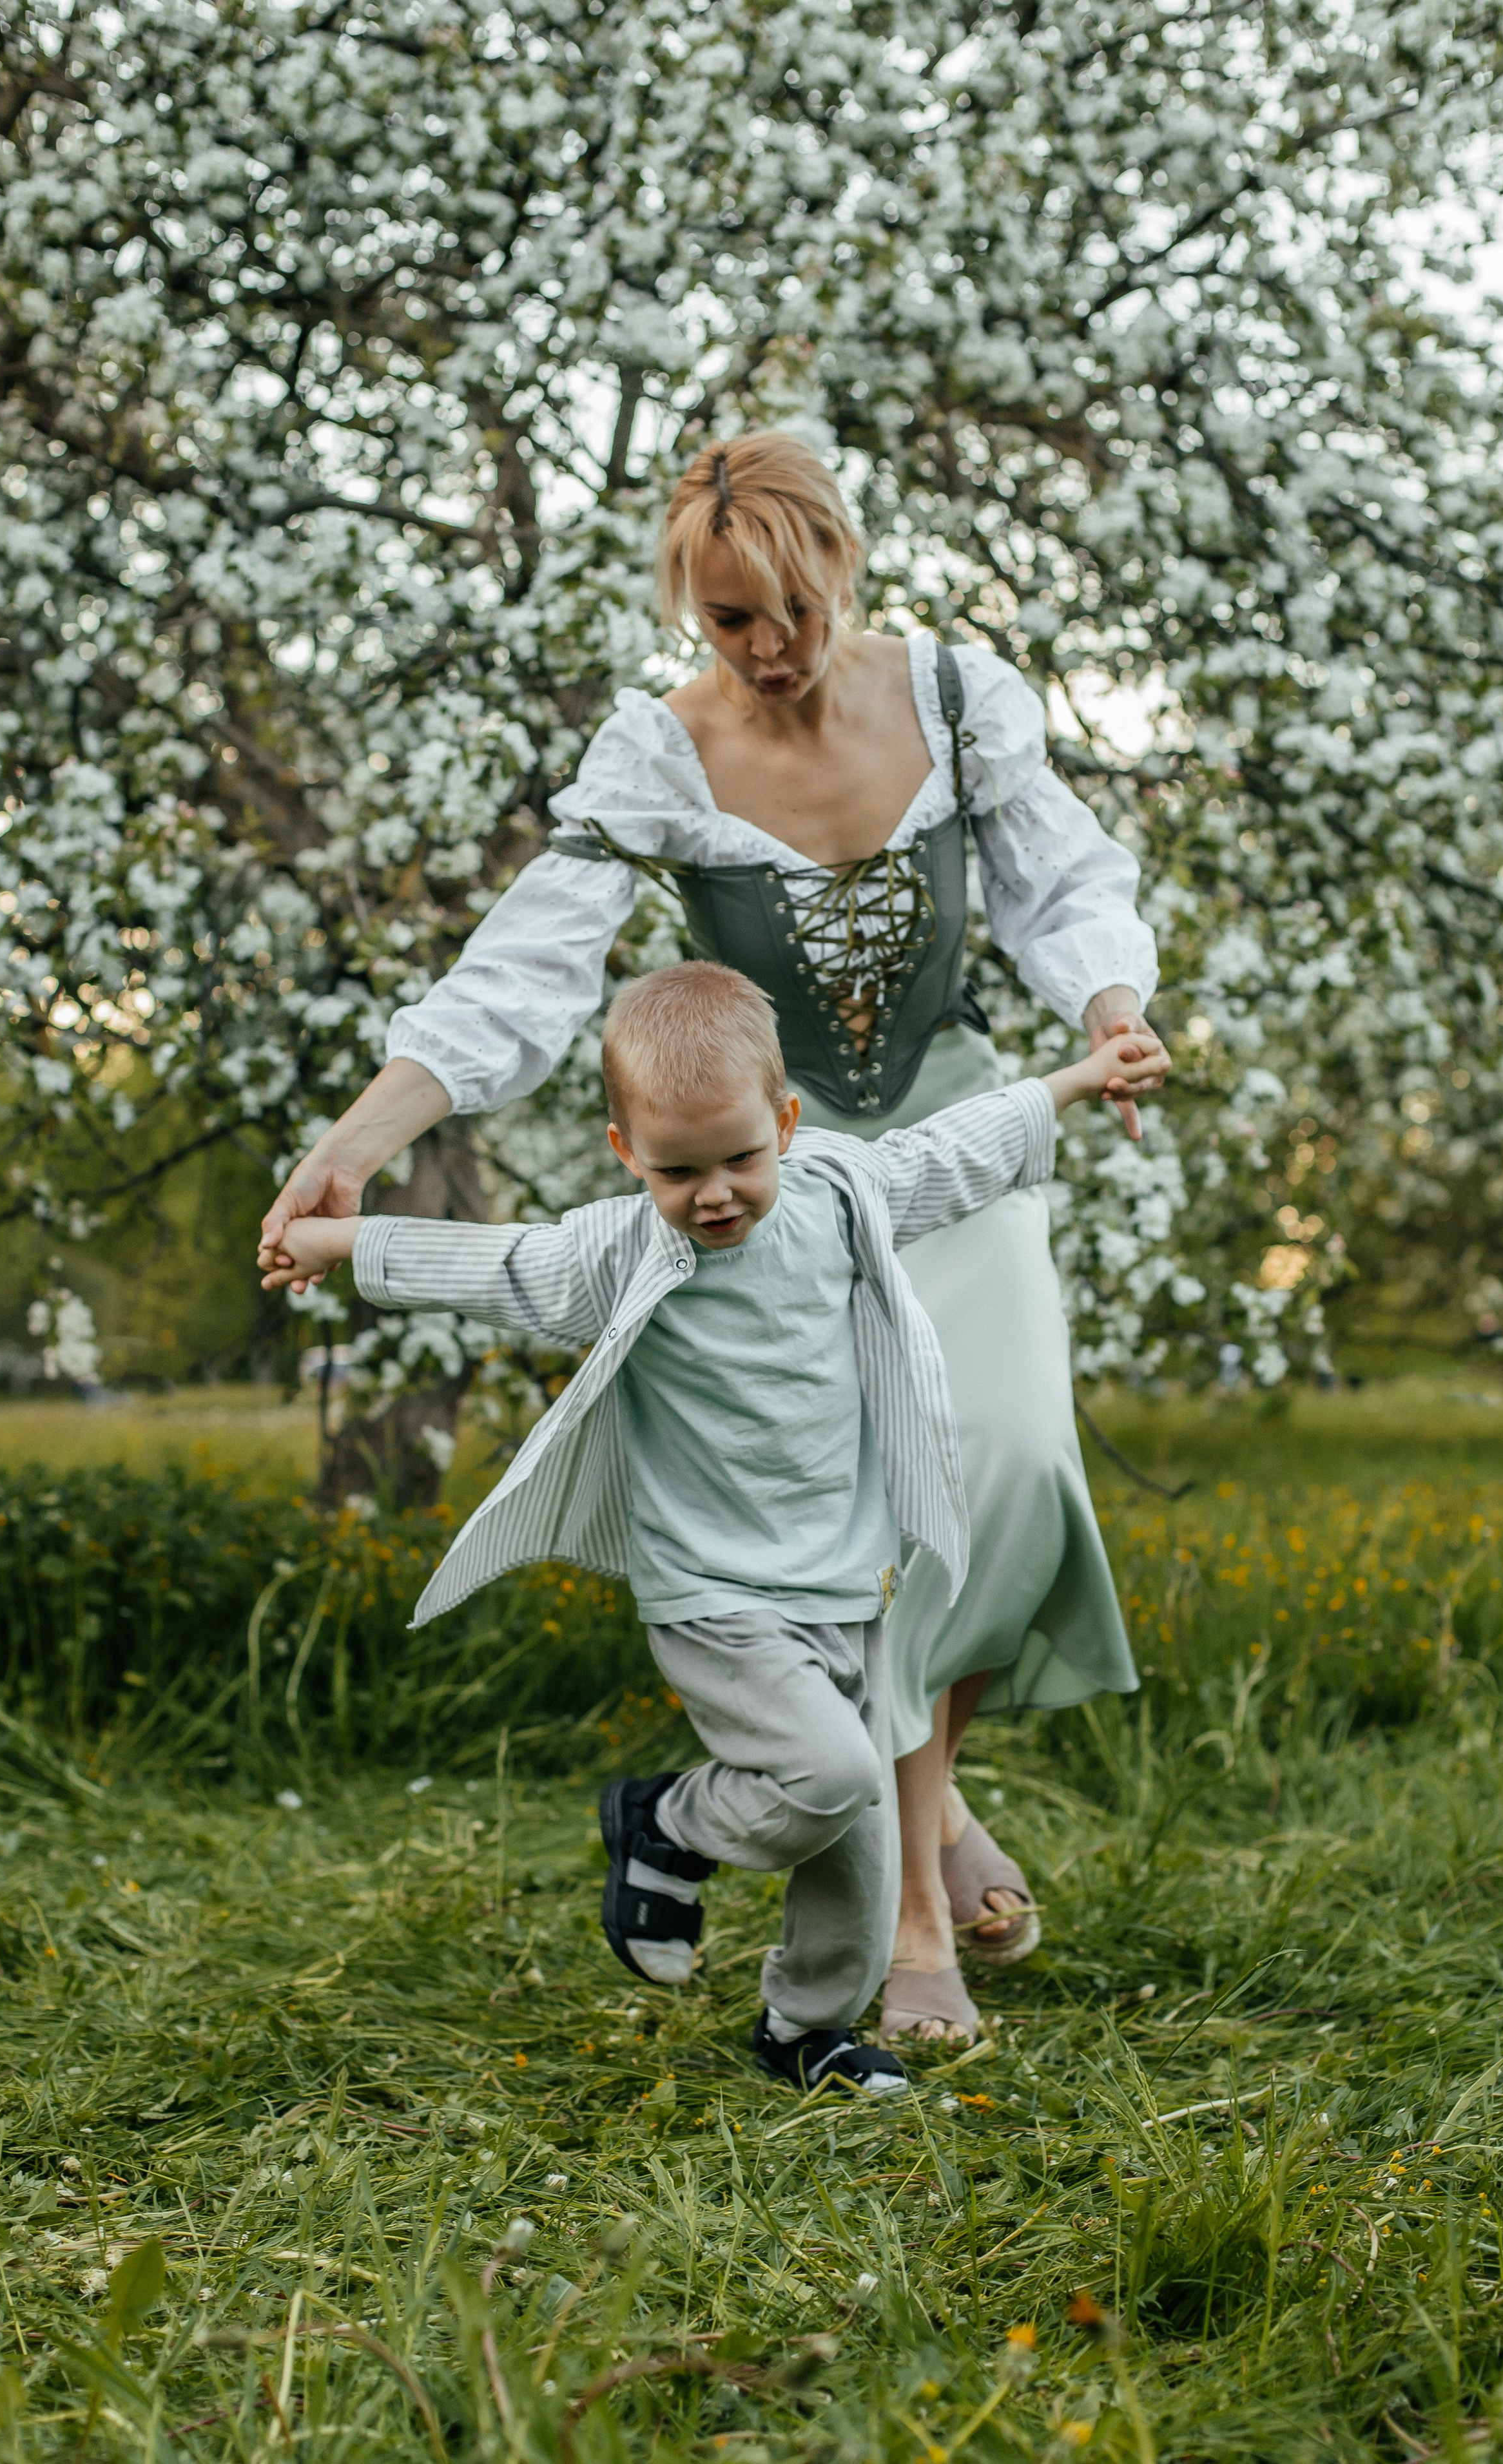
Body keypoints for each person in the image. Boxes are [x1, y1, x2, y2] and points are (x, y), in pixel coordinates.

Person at [259, 430, 1166, 2043]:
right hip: (768, 1170)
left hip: (942, 1129)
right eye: (729, 621)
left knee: (1006, 1452)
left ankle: (930, 1802)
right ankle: (902, 1909)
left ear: (845, 565)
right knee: (849, 1483)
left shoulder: (956, 697)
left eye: (792, 609)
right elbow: (526, 970)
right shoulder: (661, 752)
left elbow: (1056, 884)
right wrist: (354, 1142)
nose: (768, 648)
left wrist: (1107, 1012)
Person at [259, 963, 1170, 2094]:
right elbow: (487, 1263)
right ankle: (664, 1821)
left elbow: (960, 1147)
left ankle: (810, 2026)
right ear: (624, 1152)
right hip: (716, 1595)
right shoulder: (618, 1249)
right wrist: (337, 1247)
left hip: (848, 1583)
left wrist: (1081, 1077)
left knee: (862, 1846)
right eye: (678, 1169)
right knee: (834, 1771)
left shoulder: (842, 1189)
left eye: (742, 1157)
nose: (717, 1193)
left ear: (787, 1123)